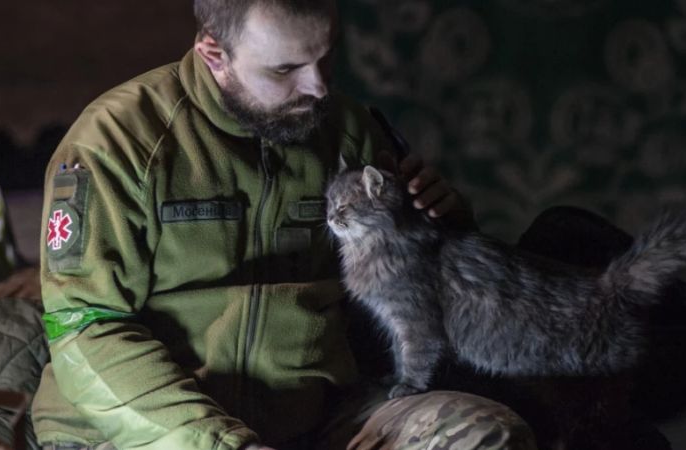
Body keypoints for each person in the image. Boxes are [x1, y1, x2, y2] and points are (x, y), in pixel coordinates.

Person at [31, 0, 537, 449]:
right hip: (146, 430)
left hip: (314, 422)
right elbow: (85, 327)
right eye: (286, 69)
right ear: (214, 54)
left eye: (326, 57)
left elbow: (418, 291)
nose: (317, 87)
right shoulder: (117, 141)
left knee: (483, 433)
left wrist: (443, 226)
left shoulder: (349, 131)